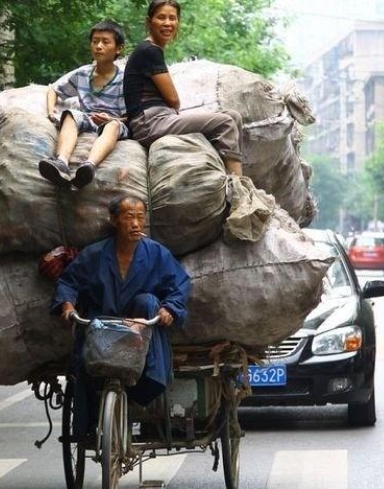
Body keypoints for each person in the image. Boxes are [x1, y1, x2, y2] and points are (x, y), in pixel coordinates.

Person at [50, 195, 192, 437]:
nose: (136, 224)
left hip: (141, 331)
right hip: (103, 329)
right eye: (128, 217)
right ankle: (87, 427)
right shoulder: (94, 254)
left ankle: (147, 384)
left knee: (148, 301)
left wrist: (169, 309)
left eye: (140, 217)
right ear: (114, 220)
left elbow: (180, 284)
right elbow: (69, 281)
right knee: (83, 368)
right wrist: (67, 306)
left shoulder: (157, 254)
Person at [123, 0, 244, 177]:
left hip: (158, 118)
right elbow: (173, 100)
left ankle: (223, 178)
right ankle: (240, 189)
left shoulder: (151, 50)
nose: (167, 23)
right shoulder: (150, 50)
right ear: (149, 22)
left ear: (178, 22)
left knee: (233, 117)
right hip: (150, 123)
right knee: (225, 123)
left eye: (172, 18)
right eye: (161, 17)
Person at [39, 20, 131, 190]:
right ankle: (61, 162)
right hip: (88, 118)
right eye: (95, 41)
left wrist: (111, 118)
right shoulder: (83, 73)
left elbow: (134, 115)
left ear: (119, 49)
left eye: (105, 41)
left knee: (112, 125)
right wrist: (51, 109)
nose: (98, 46)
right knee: (71, 114)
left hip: (115, 122)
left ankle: (89, 166)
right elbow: (54, 89)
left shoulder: (126, 78)